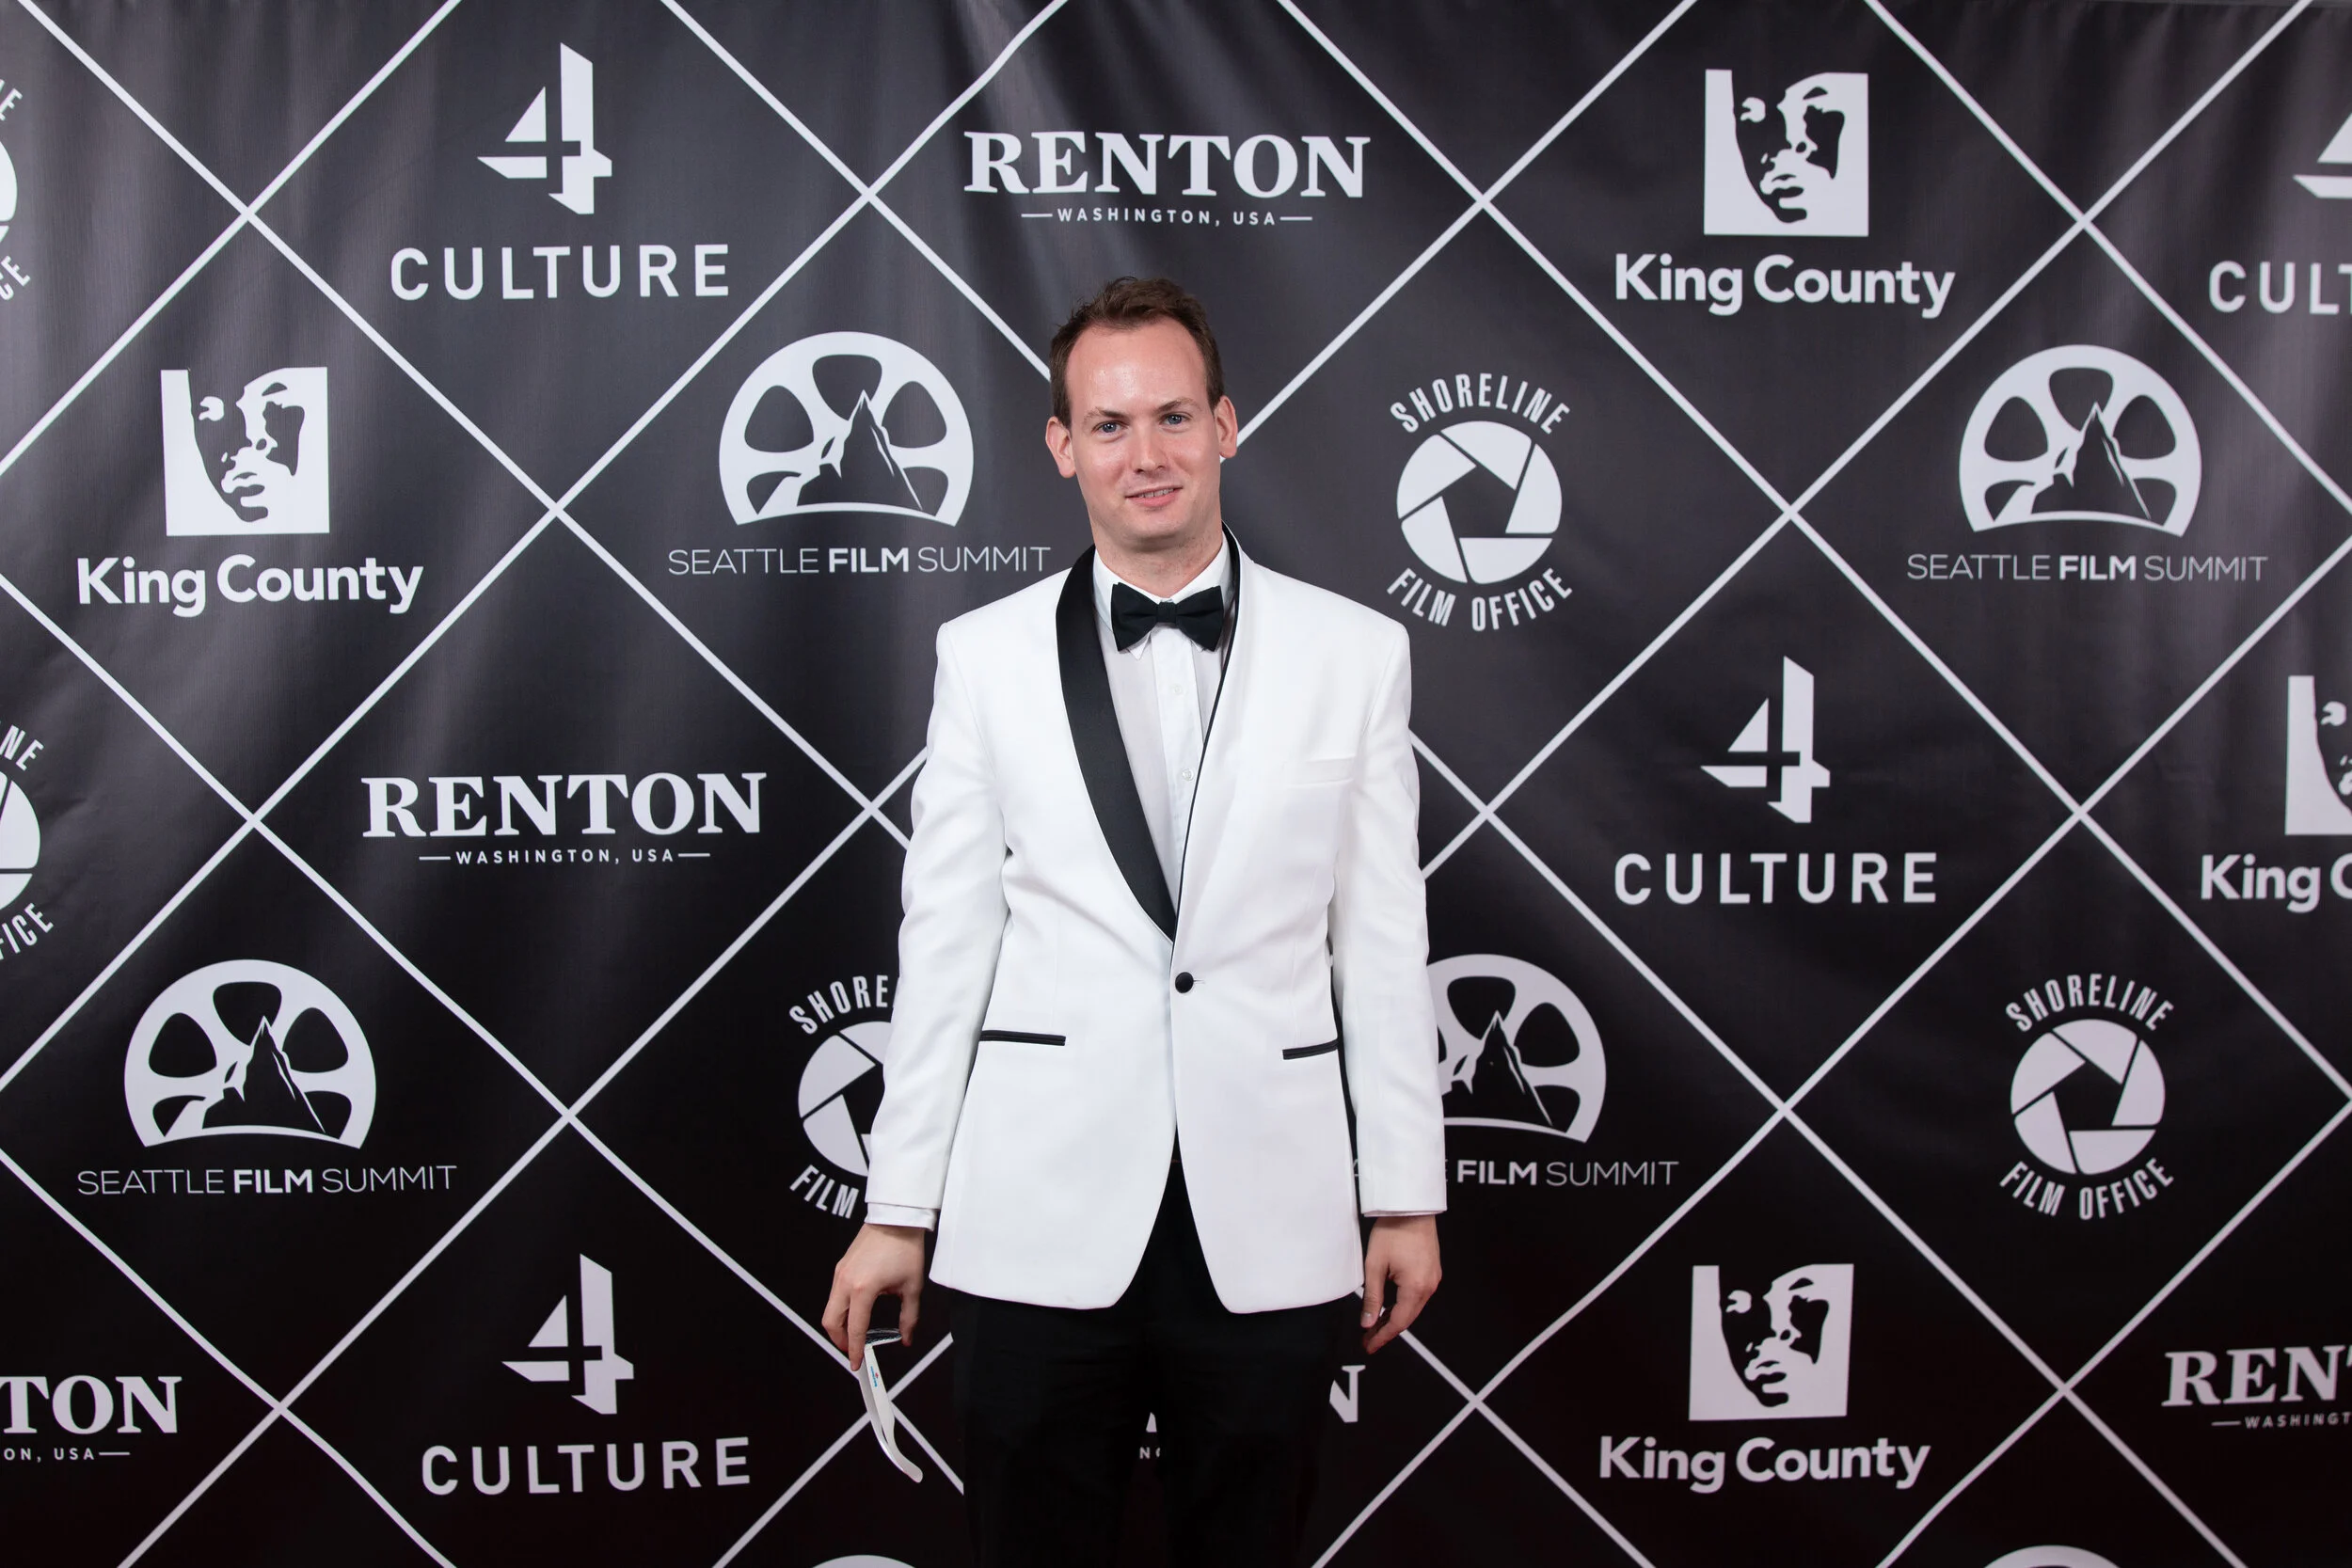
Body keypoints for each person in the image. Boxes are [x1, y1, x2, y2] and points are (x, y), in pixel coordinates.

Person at [822, 276, 1446, 1566]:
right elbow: (945, 947)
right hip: (1037, 1210)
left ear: (1227, 424)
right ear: (1062, 446)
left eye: (1172, 416)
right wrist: (899, 1206)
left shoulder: (1357, 653)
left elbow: (1384, 945)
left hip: (1269, 1209)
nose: (1145, 454)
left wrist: (1403, 1195)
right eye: (1109, 425)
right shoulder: (982, 657)